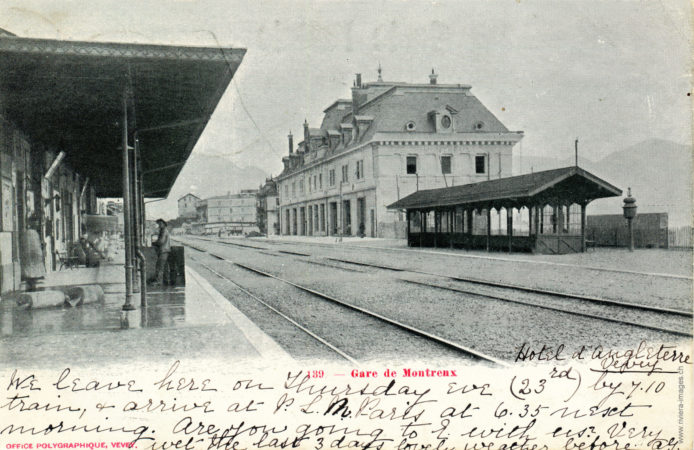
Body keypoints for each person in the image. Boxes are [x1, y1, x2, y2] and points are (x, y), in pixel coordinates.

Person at [152, 218, 170, 286]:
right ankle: (166, 281)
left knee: (159, 266)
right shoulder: (164, 231)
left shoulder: (164, 231)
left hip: (163, 250)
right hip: (165, 250)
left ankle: (158, 282)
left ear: (163, 224)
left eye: (160, 224)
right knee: (164, 267)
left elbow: (161, 241)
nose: (159, 225)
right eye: (158, 224)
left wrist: (154, 243)